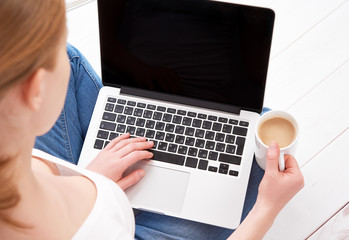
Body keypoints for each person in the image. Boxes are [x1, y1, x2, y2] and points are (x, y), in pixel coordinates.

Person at [0, 0, 304, 239]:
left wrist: (89, 178)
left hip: (90, 190)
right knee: (259, 138)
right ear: (34, 90)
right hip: (126, 230)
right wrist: (268, 207)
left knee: (254, 131)